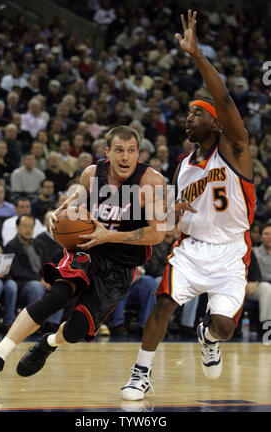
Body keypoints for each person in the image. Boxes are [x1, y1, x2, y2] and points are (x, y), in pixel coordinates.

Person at [0, 125, 169, 396]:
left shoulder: (152, 182)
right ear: (107, 152)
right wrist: (57, 213)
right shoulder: (92, 174)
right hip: (88, 249)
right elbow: (72, 203)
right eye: (119, 151)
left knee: (76, 329)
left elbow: (158, 232)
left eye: (132, 151)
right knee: (55, 296)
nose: (125, 157)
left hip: (122, 264)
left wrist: (109, 235)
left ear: (139, 153)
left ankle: (48, 344)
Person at [121, 10, 255, 401]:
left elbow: (225, 98)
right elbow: (176, 211)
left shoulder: (236, 151)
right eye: (188, 112)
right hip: (192, 249)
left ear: (216, 124)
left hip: (231, 252)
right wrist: (168, 218)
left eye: (197, 112)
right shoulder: (183, 166)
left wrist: (196, 56)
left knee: (224, 326)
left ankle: (209, 337)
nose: (189, 117)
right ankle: (140, 373)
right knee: (163, 304)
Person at [3, 214, 63, 330]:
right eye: (25, 226)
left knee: (61, 285)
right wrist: (40, 280)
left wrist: (50, 279)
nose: (28, 230)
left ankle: (51, 325)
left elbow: (48, 264)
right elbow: (17, 272)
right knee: (36, 287)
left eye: (31, 227)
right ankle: (33, 325)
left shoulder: (39, 244)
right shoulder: (11, 246)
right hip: (22, 284)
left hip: (41, 281)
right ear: (17, 227)